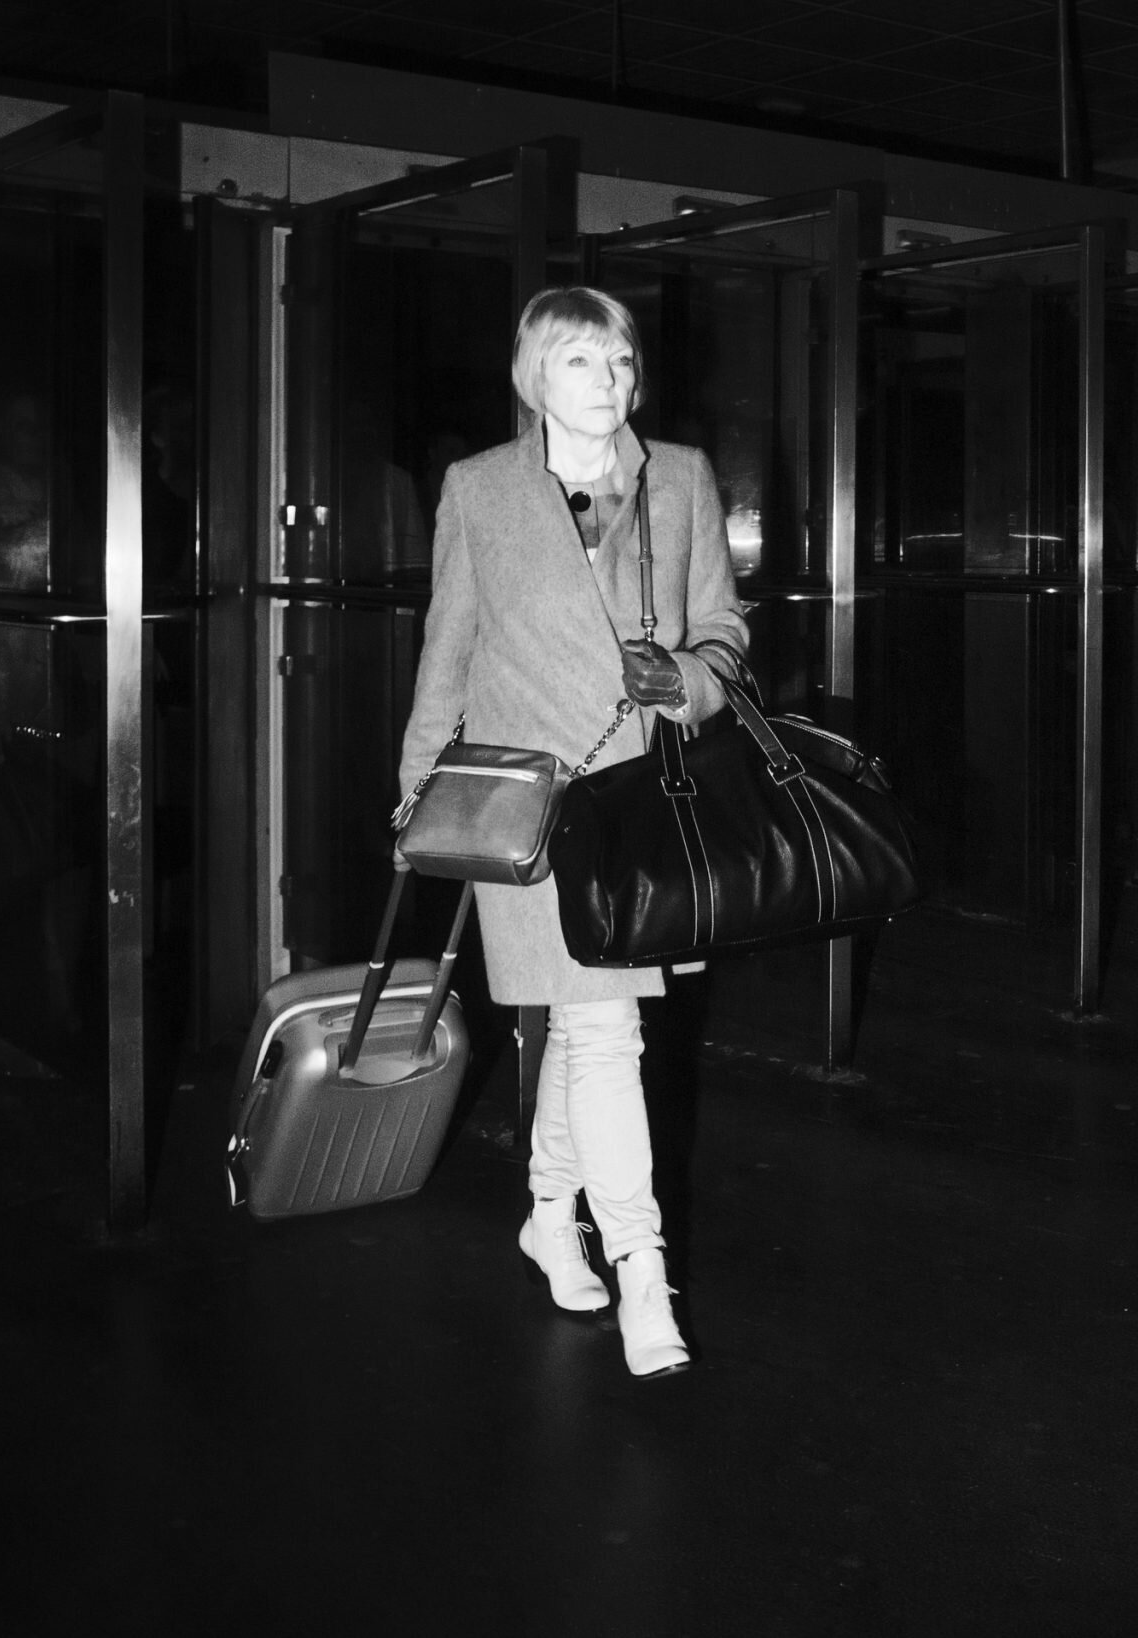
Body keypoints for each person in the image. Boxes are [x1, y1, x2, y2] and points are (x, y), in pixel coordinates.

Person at [396, 286, 748, 1377]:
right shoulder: (480, 491)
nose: (609, 383)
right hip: (528, 806)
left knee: (580, 1015)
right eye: (582, 364)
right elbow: (446, 647)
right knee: (603, 1033)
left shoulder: (680, 478)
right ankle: (646, 1272)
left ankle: (552, 1212)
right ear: (533, 379)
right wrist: (416, 787)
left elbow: (727, 632)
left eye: (620, 362)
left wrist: (684, 680)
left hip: (641, 806)